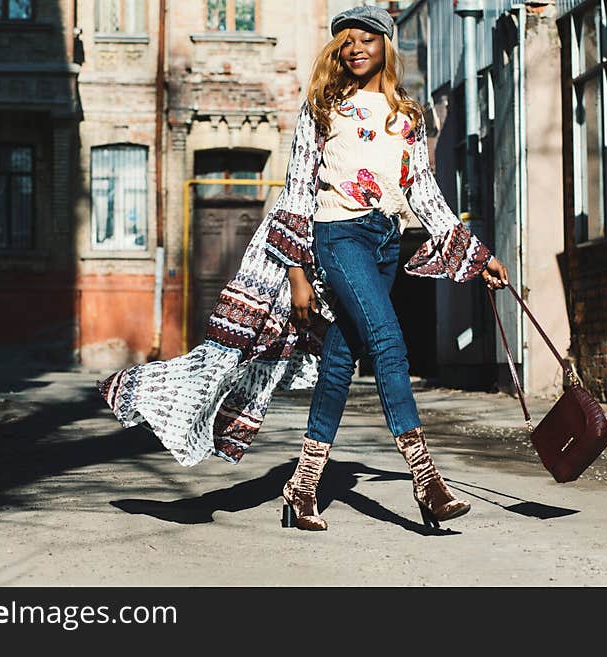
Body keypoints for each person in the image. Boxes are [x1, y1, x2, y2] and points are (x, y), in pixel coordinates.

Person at [98, 5, 508, 532]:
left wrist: (478, 257)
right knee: (387, 341)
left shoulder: (405, 115)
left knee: (341, 359)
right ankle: (427, 481)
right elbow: (296, 192)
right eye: (347, 41)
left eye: (367, 39)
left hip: (385, 243)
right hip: (337, 237)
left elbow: (422, 194)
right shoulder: (322, 106)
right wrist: (295, 273)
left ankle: (303, 484)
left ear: (386, 45)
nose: (356, 48)